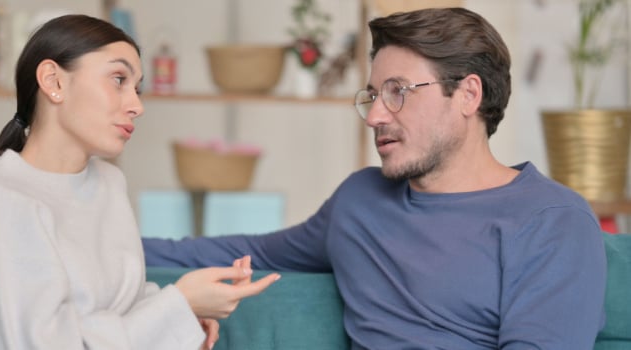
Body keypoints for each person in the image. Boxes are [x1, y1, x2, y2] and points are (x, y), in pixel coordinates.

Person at [143, 7, 606, 350]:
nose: (375, 116)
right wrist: (92, 241)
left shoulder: (552, 221)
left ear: (467, 94)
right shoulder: (360, 201)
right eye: (372, 95)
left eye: (397, 92)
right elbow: (239, 253)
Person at [0, 14, 280, 350]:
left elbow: (120, 307)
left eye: (137, 88)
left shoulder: (108, 184)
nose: (136, 105)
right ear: (53, 81)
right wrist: (177, 306)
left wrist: (187, 318)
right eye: (119, 80)